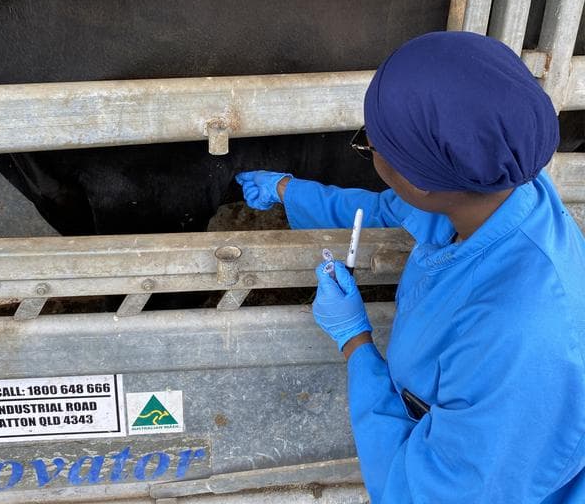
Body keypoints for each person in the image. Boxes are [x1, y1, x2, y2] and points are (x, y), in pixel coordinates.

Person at [235, 31, 585, 502]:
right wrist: (288, 191)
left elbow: (420, 493)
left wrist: (355, 342)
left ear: (422, 182)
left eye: (371, 146)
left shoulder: (518, 335)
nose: (370, 150)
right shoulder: (499, 186)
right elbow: (387, 209)